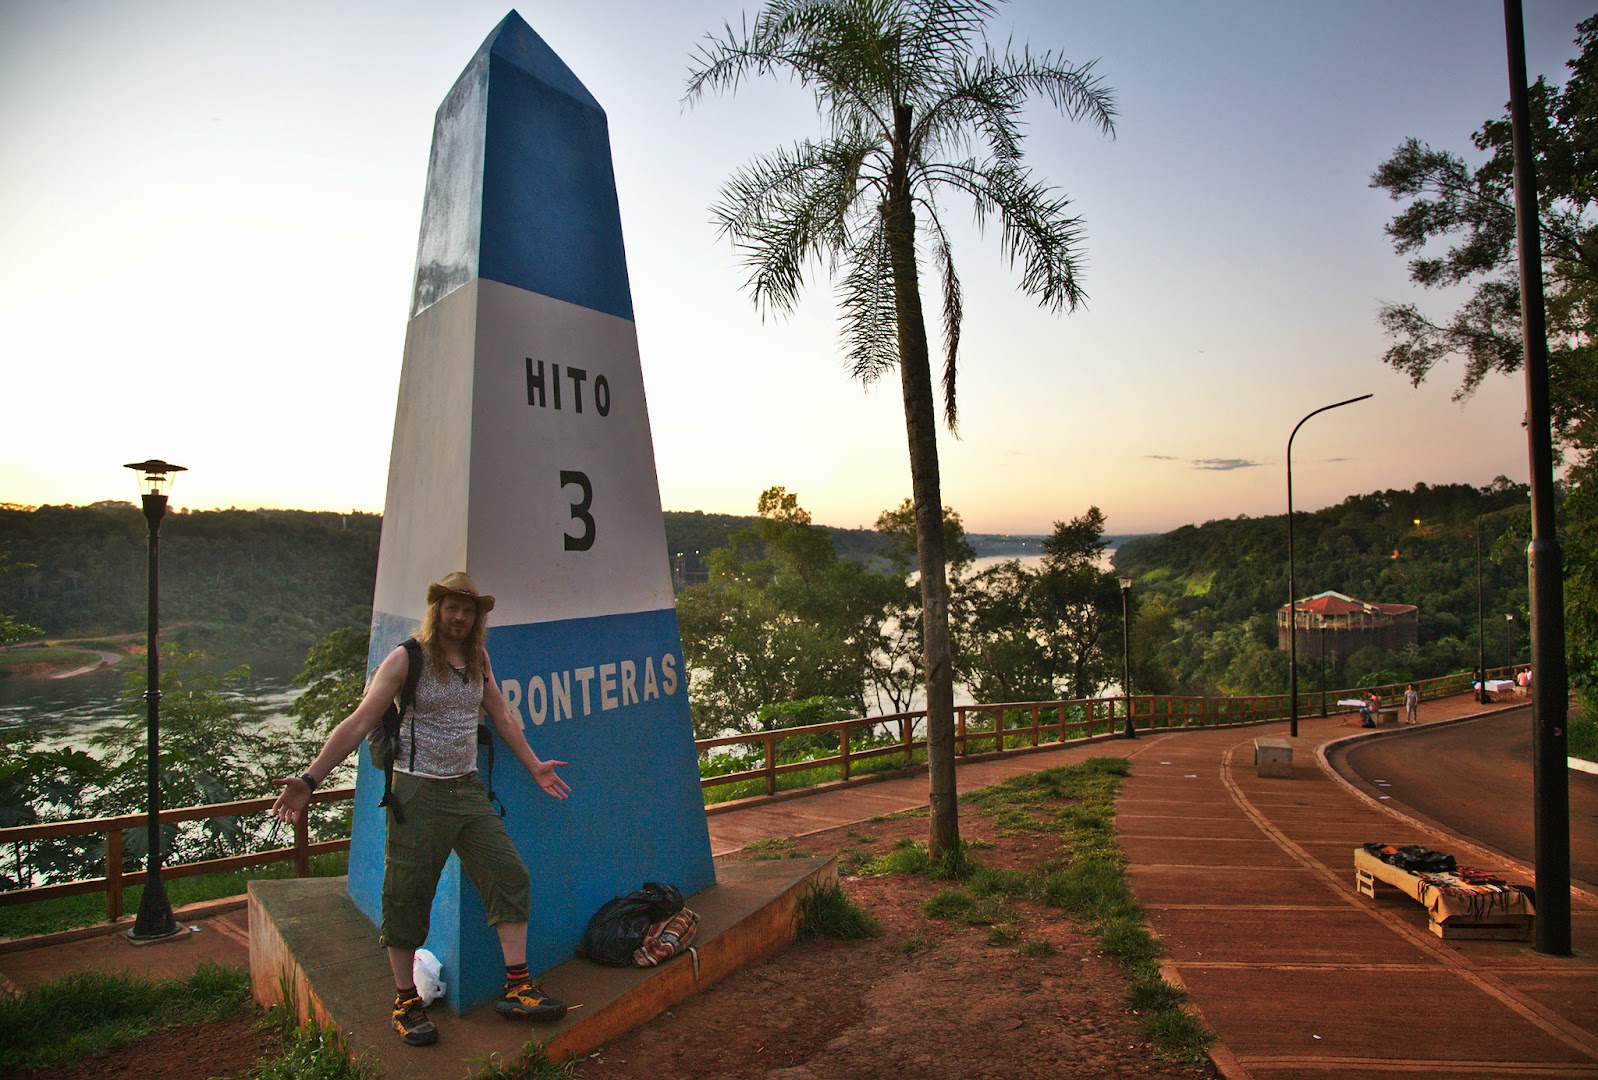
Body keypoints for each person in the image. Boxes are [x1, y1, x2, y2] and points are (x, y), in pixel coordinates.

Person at [270, 572, 571, 1048]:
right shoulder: (406, 659)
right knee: (406, 895)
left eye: (468, 611)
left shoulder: (477, 660)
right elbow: (357, 722)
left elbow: (502, 714)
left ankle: (517, 987)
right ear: (437, 610)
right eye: (452, 608)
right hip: (417, 795)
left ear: (476, 619)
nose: (459, 617)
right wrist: (310, 780)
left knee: (509, 875)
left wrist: (534, 766)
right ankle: (406, 1002)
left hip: (467, 791)